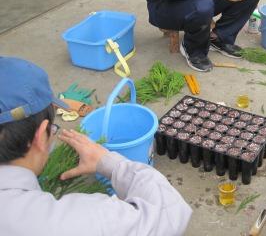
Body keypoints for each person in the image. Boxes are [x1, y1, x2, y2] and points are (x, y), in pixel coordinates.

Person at [0, 56, 192, 236]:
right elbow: (170, 210)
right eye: (54, 129)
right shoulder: (70, 222)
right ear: (41, 135)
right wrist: (110, 163)